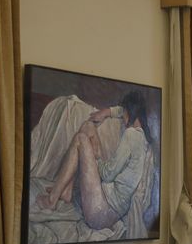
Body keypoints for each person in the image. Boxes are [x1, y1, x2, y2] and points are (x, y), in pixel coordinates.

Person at [36, 90, 150, 231]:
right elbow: (121, 111)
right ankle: (67, 191)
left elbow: (108, 174)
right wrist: (106, 112)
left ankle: (51, 200)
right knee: (88, 126)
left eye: (125, 112)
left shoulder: (131, 135)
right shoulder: (142, 137)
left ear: (131, 111)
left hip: (101, 211)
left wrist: (94, 158)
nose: (123, 116)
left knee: (81, 139)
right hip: (109, 202)